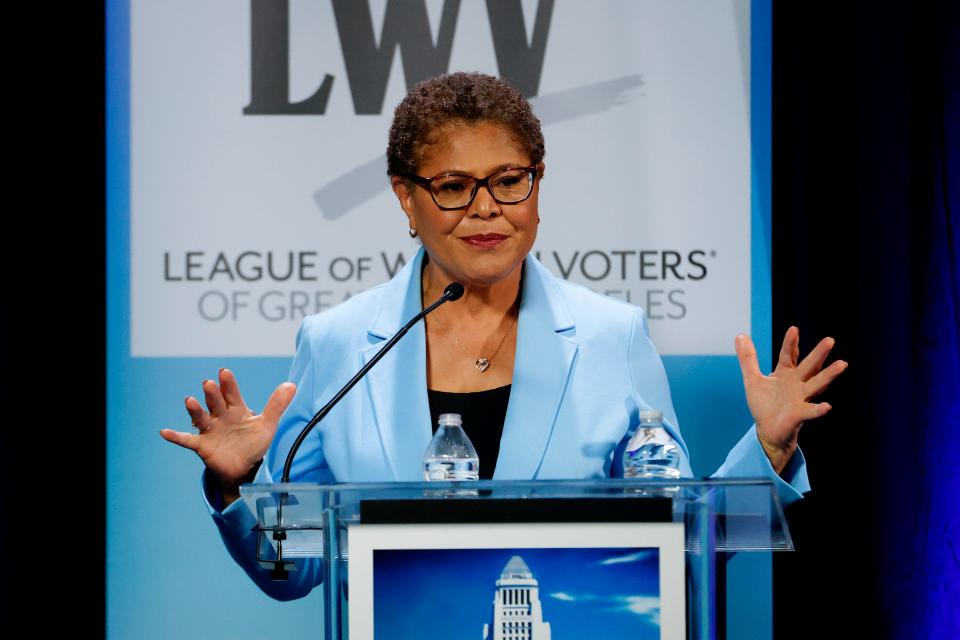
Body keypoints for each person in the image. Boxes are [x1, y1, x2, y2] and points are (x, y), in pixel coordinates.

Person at [160, 72, 847, 600]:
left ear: (537, 182)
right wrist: (241, 485)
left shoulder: (611, 337)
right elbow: (294, 565)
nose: (487, 208)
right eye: (454, 186)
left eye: (509, 180)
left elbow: (673, 548)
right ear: (406, 197)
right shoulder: (338, 343)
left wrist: (768, 450)